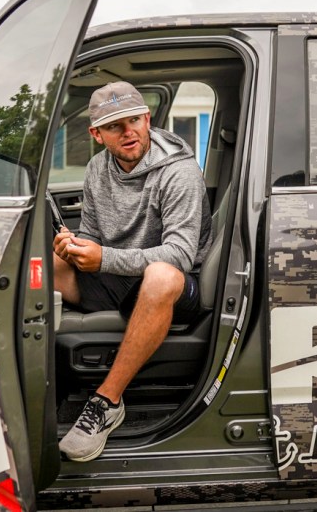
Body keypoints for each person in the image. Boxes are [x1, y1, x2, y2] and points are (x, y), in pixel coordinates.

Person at [53, 81, 211, 462]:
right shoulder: (96, 168)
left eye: (135, 120)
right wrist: (74, 247)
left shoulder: (179, 172)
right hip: (121, 279)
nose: (128, 132)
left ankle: (107, 401)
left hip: (176, 286)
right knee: (47, 264)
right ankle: (41, 385)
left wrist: (103, 258)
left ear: (148, 119)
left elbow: (179, 255)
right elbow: (92, 235)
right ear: (96, 134)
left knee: (160, 275)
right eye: (115, 126)